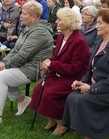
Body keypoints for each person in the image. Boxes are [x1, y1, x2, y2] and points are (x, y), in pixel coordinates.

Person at [0, 1, 53, 124]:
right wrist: (4, 63)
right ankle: (22, 99)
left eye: (24, 14)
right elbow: (16, 50)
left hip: (36, 69)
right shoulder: (28, 28)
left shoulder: (39, 32)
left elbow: (24, 54)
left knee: (1, 76)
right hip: (25, 65)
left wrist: (7, 65)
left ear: (33, 17)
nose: (20, 16)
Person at [62, 8, 109, 138]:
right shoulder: (101, 42)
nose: (96, 26)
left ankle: (93, 134)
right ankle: (90, 132)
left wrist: (91, 88)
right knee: (72, 96)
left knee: (81, 100)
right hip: (102, 87)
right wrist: (81, 81)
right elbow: (90, 69)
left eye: (100, 23)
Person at [29, 7, 90, 135]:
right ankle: (51, 119)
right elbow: (57, 58)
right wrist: (48, 63)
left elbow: (75, 68)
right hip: (60, 74)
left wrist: (53, 64)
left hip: (73, 78)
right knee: (38, 90)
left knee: (49, 94)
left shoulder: (79, 41)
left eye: (59, 19)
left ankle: (62, 123)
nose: (56, 22)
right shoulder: (62, 37)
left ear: (68, 23)